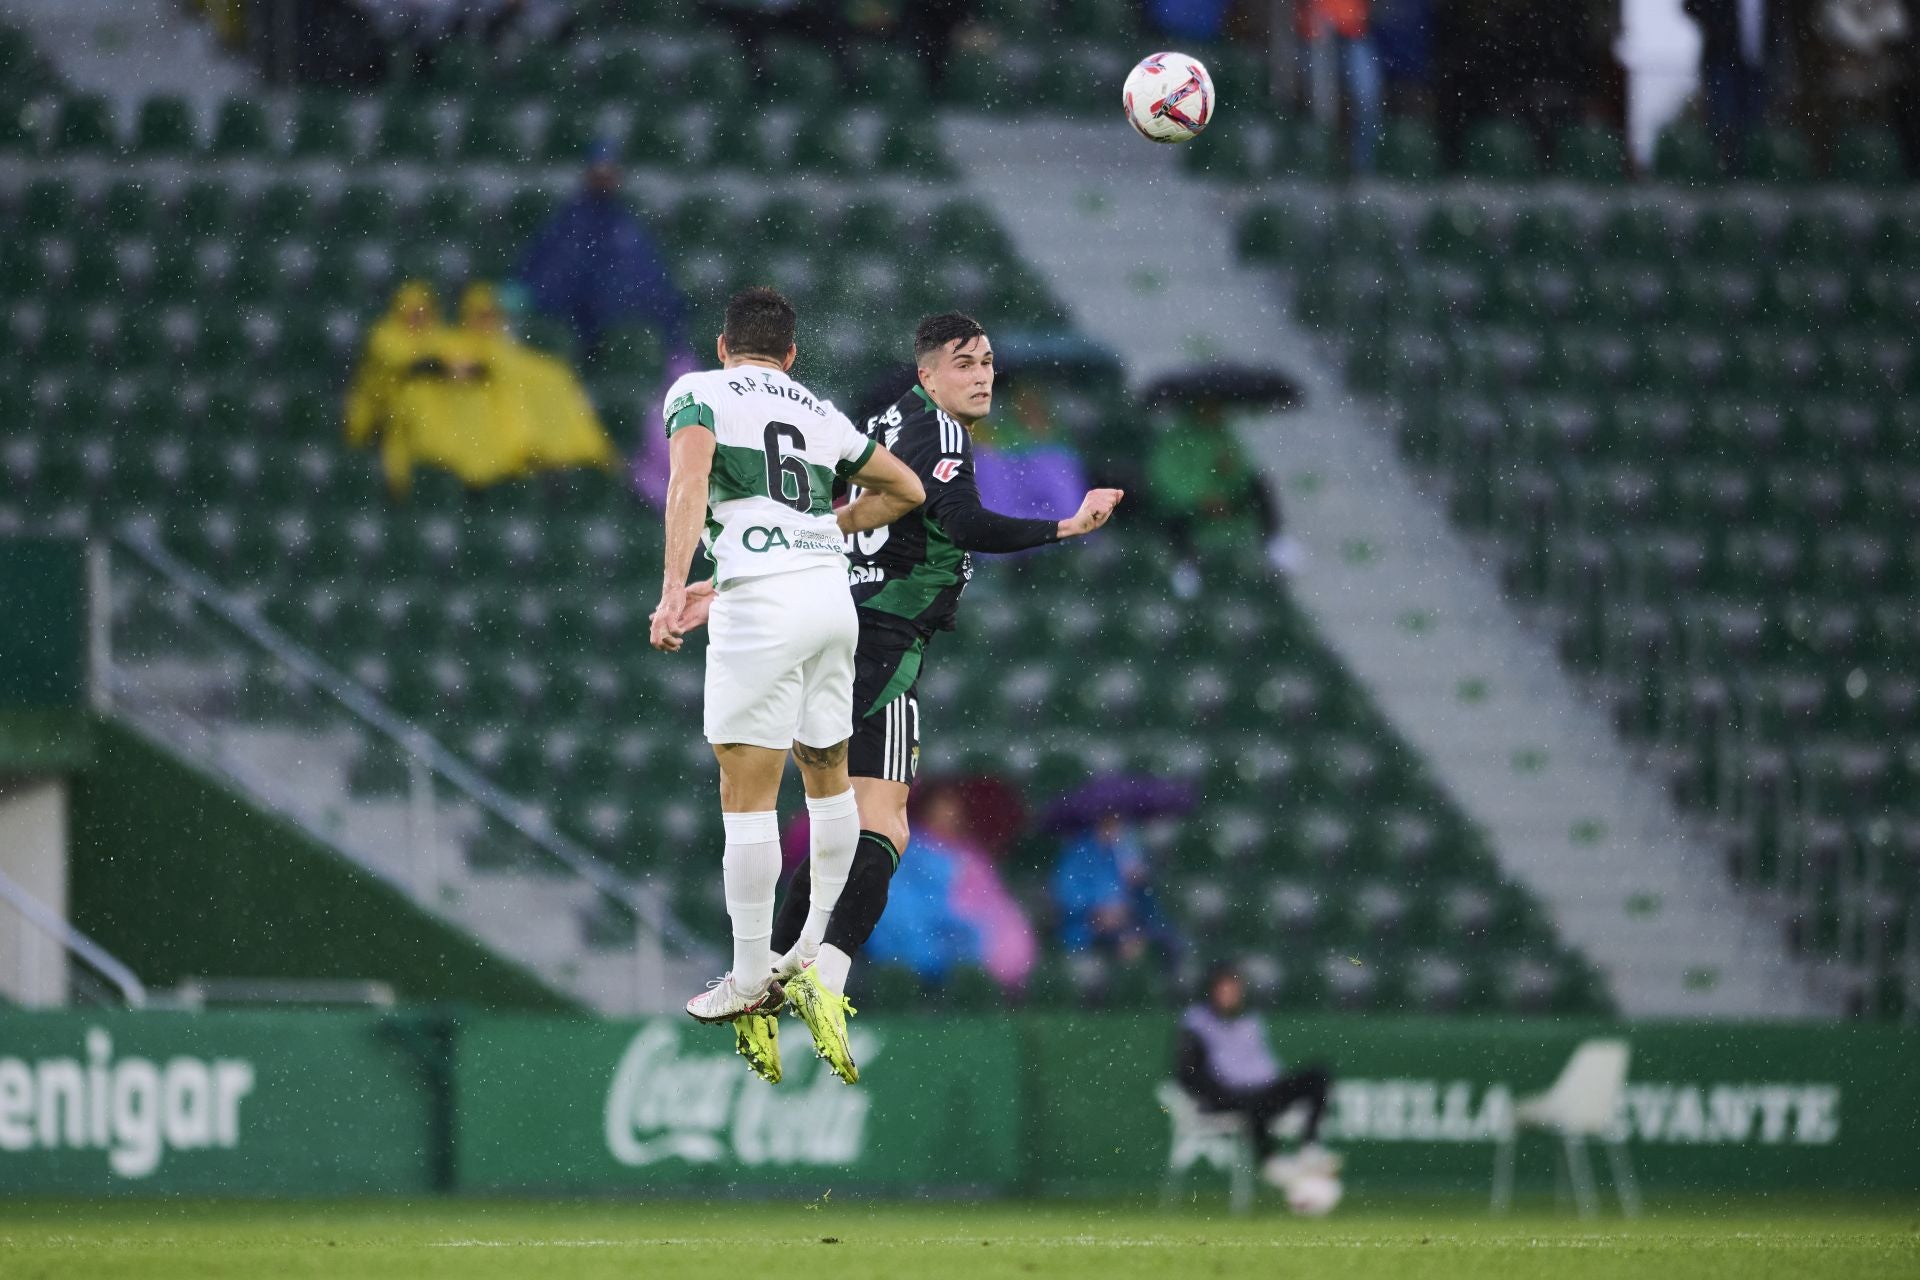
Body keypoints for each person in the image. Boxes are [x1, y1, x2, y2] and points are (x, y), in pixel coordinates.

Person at [686, 312, 1123, 1083]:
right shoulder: (941, 434)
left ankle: (775, 981)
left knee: (850, 820)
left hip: (840, 623)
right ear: (928, 376)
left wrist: (720, 585)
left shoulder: (876, 425)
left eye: (988, 362)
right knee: (879, 824)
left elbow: (807, 523)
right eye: (965, 364)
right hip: (881, 635)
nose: (983, 376)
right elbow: (962, 520)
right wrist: (1066, 525)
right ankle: (815, 972)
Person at [647, 287, 924, 1086]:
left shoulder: (699, 390)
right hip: (830, 604)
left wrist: (676, 585)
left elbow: (688, 485)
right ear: (792, 355)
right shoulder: (819, 409)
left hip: (759, 605)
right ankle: (806, 955)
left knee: (748, 793)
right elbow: (904, 488)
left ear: (726, 346)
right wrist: (816, 530)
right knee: (827, 780)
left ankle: (748, 975)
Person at [513, 143, 690, 358]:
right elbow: (544, 273)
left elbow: (649, 280)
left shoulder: (626, 225)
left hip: (615, 328)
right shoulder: (568, 222)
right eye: (598, 173)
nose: (604, 180)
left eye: (609, 173)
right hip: (572, 325)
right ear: (588, 175)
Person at [1176, 962, 1342, 1190]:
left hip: (1263, 1091)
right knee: (1251, 1099)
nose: (1229, 995)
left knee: (1318, 1074)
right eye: (1223, 989)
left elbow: (1265, 1065)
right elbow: (1188, 1073)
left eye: (1234, 989)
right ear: (1211, 991)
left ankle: (1309, 1149)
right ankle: (1269, 1161)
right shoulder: (1196, 1024)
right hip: (1226, 1096)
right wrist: (1214, 1094)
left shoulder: (1250, 1022)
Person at [1148, 398, 1299, 596]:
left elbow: (1245, 471)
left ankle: (1274, 539)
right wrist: (1200, 496)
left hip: (1227, 501)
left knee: (1260, 486)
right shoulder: (1176, 439)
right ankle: (1186, 563)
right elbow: (1167, 477)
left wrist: (1231, 473)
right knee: (1172, 517)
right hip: (1191, 507)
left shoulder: (1225, 436)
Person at [1051, 813, 1182, 962]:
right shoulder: (1078, 854)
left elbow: (1124, 893)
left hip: (1118, 926)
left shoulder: (1114, 853)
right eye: (1112, 825)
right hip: (1087, 932)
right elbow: (1067, 892)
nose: (1117, 832)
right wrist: (1097, 912)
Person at [968, 383, 1090, 527]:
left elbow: (1070, 514)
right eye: (1024, 409)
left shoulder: (1056, 459)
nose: (1031, 415)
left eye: (1036, 409)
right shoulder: (992, 458)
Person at [1684, 0, 1787, 169]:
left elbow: (1779, 18)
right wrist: (1716, 26)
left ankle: (1752, 174)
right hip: (1722, 62)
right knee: (1725, 123)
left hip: (1759, 66)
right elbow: (1691, 6)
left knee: (1755, 125)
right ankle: (1725, 173)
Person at [1299, 0, 1385, 175]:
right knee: (1321, 110)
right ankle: (1318, 168)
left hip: (1354, 33)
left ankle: (1361, 170)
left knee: (1367, 99)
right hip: (1316, 36)